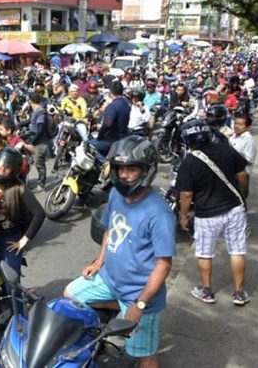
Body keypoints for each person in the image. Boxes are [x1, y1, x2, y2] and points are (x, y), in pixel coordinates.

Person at [64, 136, 176, 368]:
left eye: (132, 169)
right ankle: (118, 306)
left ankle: (128, 307)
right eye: (120, 168)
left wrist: (139, 305)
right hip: (109, 279)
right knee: (70, 295)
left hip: (139, 292)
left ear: (146, 171)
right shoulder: (116, 194)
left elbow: (164, 265)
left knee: (143, 354)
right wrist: (99, 261)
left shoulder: (159, 213)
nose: (124, 175)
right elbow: (109, 230)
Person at [175, 119, 250, 306]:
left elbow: (186, 195)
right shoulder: (227, 150)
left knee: (204, 253)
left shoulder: (189, 162)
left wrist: (183, 217)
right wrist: (241, 191)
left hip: (207, 215)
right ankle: (239, 293)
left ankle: (207, 292)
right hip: (234, 209)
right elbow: (242, 175)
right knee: (237, 251)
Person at [0, 148, 44, 277]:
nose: (3, 169)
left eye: (7, 167)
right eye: (1, 165)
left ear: (14, 170)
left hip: (8, 237)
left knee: (11, 278)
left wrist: (24, 240)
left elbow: (39, 214)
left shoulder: (19, 188)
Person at [90, 81, 130, 160]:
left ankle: (104, 164)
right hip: (122, 138)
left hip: (111, 140)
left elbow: (108, 124)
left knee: (86, 144)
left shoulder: (112, 106)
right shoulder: (126, 104)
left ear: (110, 92)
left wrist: (100, 135)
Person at [25, 91, 52, 192]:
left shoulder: (40, 111)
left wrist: (32, 140)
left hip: (41, 142)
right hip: (37, 141)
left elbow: (40, 129)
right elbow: (31, 122)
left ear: (30, 101)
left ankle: (41, 184)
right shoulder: (36, 111)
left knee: (39, 163)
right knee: (36, 162)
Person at [229, 113, 257, 200]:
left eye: (240, 124)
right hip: (229, 174)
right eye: (236, 123)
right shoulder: (232, 137)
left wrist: (231, 152)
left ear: (248, 127)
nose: (237, 126)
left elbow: (248, 159)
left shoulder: (249, 141)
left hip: (240, 176)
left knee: (239, 201)